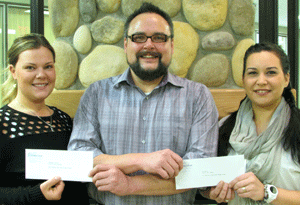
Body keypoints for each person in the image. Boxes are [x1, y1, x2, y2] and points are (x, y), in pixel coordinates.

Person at [67, 2, 219, 205]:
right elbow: (78, 157)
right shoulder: (96, 93)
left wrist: (130, 185)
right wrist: (140, 160)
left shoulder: (198, 96)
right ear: (125, 45)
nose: (149, 45)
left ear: (171, 45)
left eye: (159, 38)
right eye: (139, 38)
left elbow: (200, 170)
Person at [201, 42, 300, 204]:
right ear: (243, 79)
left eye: (271, 73)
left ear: (286, 78)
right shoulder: (224, 128)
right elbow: (207, 185)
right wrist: (213, 193)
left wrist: (266, 192)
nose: (261, 81)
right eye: (253, 73)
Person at [0, 33, 89, 204]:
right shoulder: (3, 124)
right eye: (30, 68)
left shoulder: (64, 119)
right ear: (13, 71)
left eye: (48, 66)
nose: (41, 75)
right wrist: (36, 193)